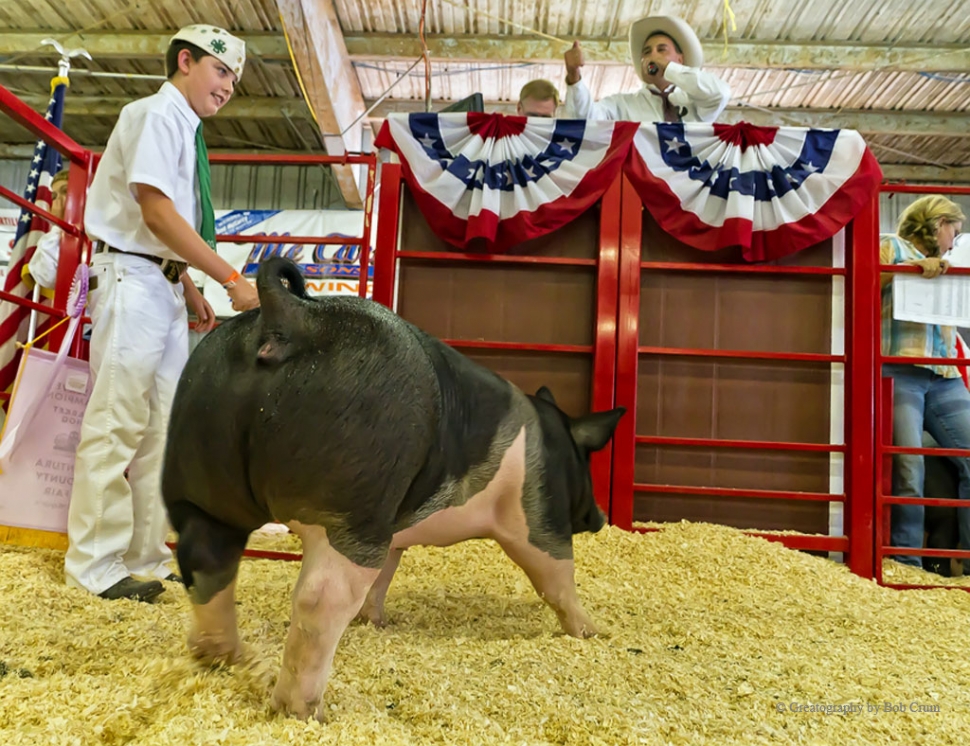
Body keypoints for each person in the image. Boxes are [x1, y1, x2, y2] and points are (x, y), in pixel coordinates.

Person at [65, 24, 260, 602]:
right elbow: (154, 211)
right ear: (184, 61)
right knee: (117, 421)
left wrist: (189, 286)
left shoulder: (184, 126)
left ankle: (143, 556)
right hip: (130, 278)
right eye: (220, 70)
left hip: (161, 285)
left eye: (234, 79)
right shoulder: (153, 113)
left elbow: (164, 228)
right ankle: (92, 565)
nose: (228, 87)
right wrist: (228, 276)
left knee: (163, 431)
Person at [881, 195, 968, 567]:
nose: (954, 239)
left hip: (944, 371)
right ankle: (906, 560)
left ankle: (963, 560)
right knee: (909, 466)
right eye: (953, 229)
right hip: (900, 368)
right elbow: (866, 282)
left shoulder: (950, 262)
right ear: (935, 224)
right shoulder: (890, 245)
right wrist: (913, 268)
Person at [562, 14, 730, 123]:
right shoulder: (623, 105)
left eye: (661, 50)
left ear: (680, 59)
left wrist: (670, 70)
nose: (652, 56)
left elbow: (720, 94)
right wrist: (574, 76)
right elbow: (585, 120)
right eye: (647, 52)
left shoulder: (695, 101)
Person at [23, 168, 69, 293]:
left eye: (65, 191)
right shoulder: (54, 236)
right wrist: (58, 226)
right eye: (54, 196)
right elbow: (45, 277)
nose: (57, 201)